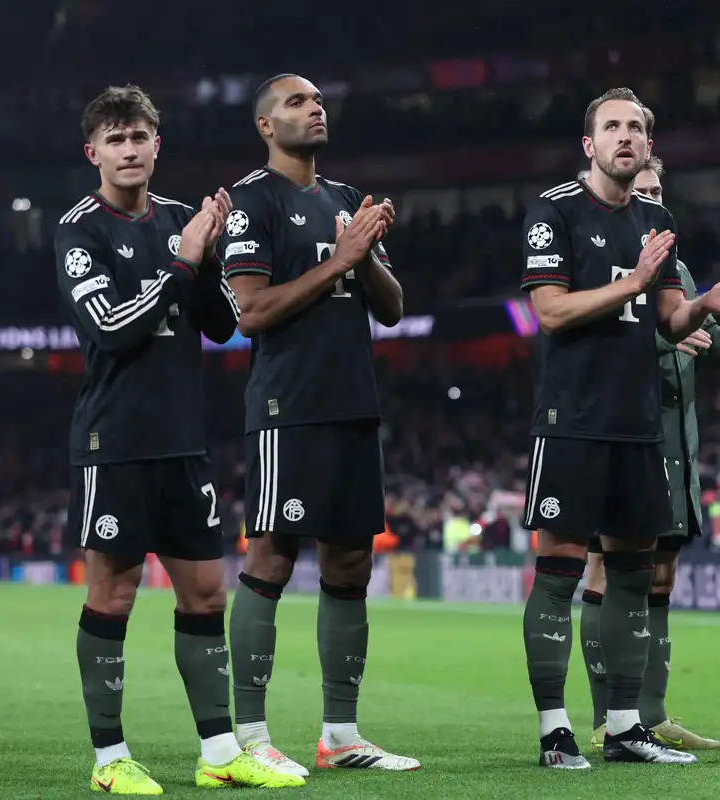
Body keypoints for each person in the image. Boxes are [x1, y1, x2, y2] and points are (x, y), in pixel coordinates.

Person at [58, 85, 303, 793]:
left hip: (182, 443)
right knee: (114, 593)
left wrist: (211, 254)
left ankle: (219, 753)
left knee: (205, 594)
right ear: (93, 153)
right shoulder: (79, 230)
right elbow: (111, 327)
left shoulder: (180, 221)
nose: (129, 149)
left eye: (139, 136)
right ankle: (109, 760)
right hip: (114, 442)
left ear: (156, 145)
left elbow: (222, 325)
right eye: (115, 139)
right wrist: (183, 261)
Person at [519, 87, 720, 769]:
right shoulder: (553, 212)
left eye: (636, 128)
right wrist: (633, 284)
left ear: (649, 145)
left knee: (633, 574)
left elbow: (671, 322)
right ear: (589, 144)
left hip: (637, 423)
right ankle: (555, 730)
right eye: (612, 127)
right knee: (560, 573)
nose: (625, 136)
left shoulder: (655, 217)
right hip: (572, 421)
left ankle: (626, 726)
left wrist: (706, 304)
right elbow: (551, 313)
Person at [220, 73, 420, 774]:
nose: (315, 109)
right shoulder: (252, 200)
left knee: (351, 563)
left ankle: (341, 735)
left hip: (353, 404)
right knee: (271, 557)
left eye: (318, 100)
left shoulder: (344, 200)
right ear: (266, 125)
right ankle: (251, 737)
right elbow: (249, 311)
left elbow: (391, 308)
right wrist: (339, 259)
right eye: (297, 102)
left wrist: (363, 256)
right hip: (289, 407)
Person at [578, 156, 720, 753]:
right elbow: (599, 341)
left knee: (661, 574)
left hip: (677, 445)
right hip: (623, 438)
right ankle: (607, 717)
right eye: (644, 190)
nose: (653, 200)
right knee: (607, 570)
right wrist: (668, 340)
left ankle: (651, 714)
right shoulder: (599, 251)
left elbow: (695, 343)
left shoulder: (673, 265)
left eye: (659, 191)